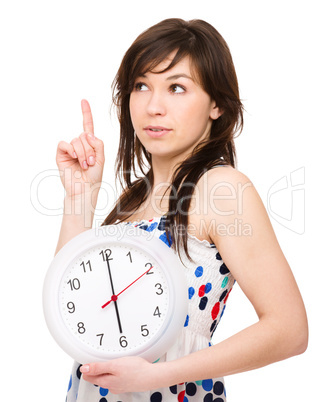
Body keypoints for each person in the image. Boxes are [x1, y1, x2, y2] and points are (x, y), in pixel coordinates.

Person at [55, 18, 308, 402]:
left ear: (217, 104)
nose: (154, 106)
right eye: (142, 86)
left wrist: (158, 375)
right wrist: (80, 197)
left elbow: (290, 330)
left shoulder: (221, 189)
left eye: (176, 88)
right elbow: (69, 315)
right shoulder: (132, 202)